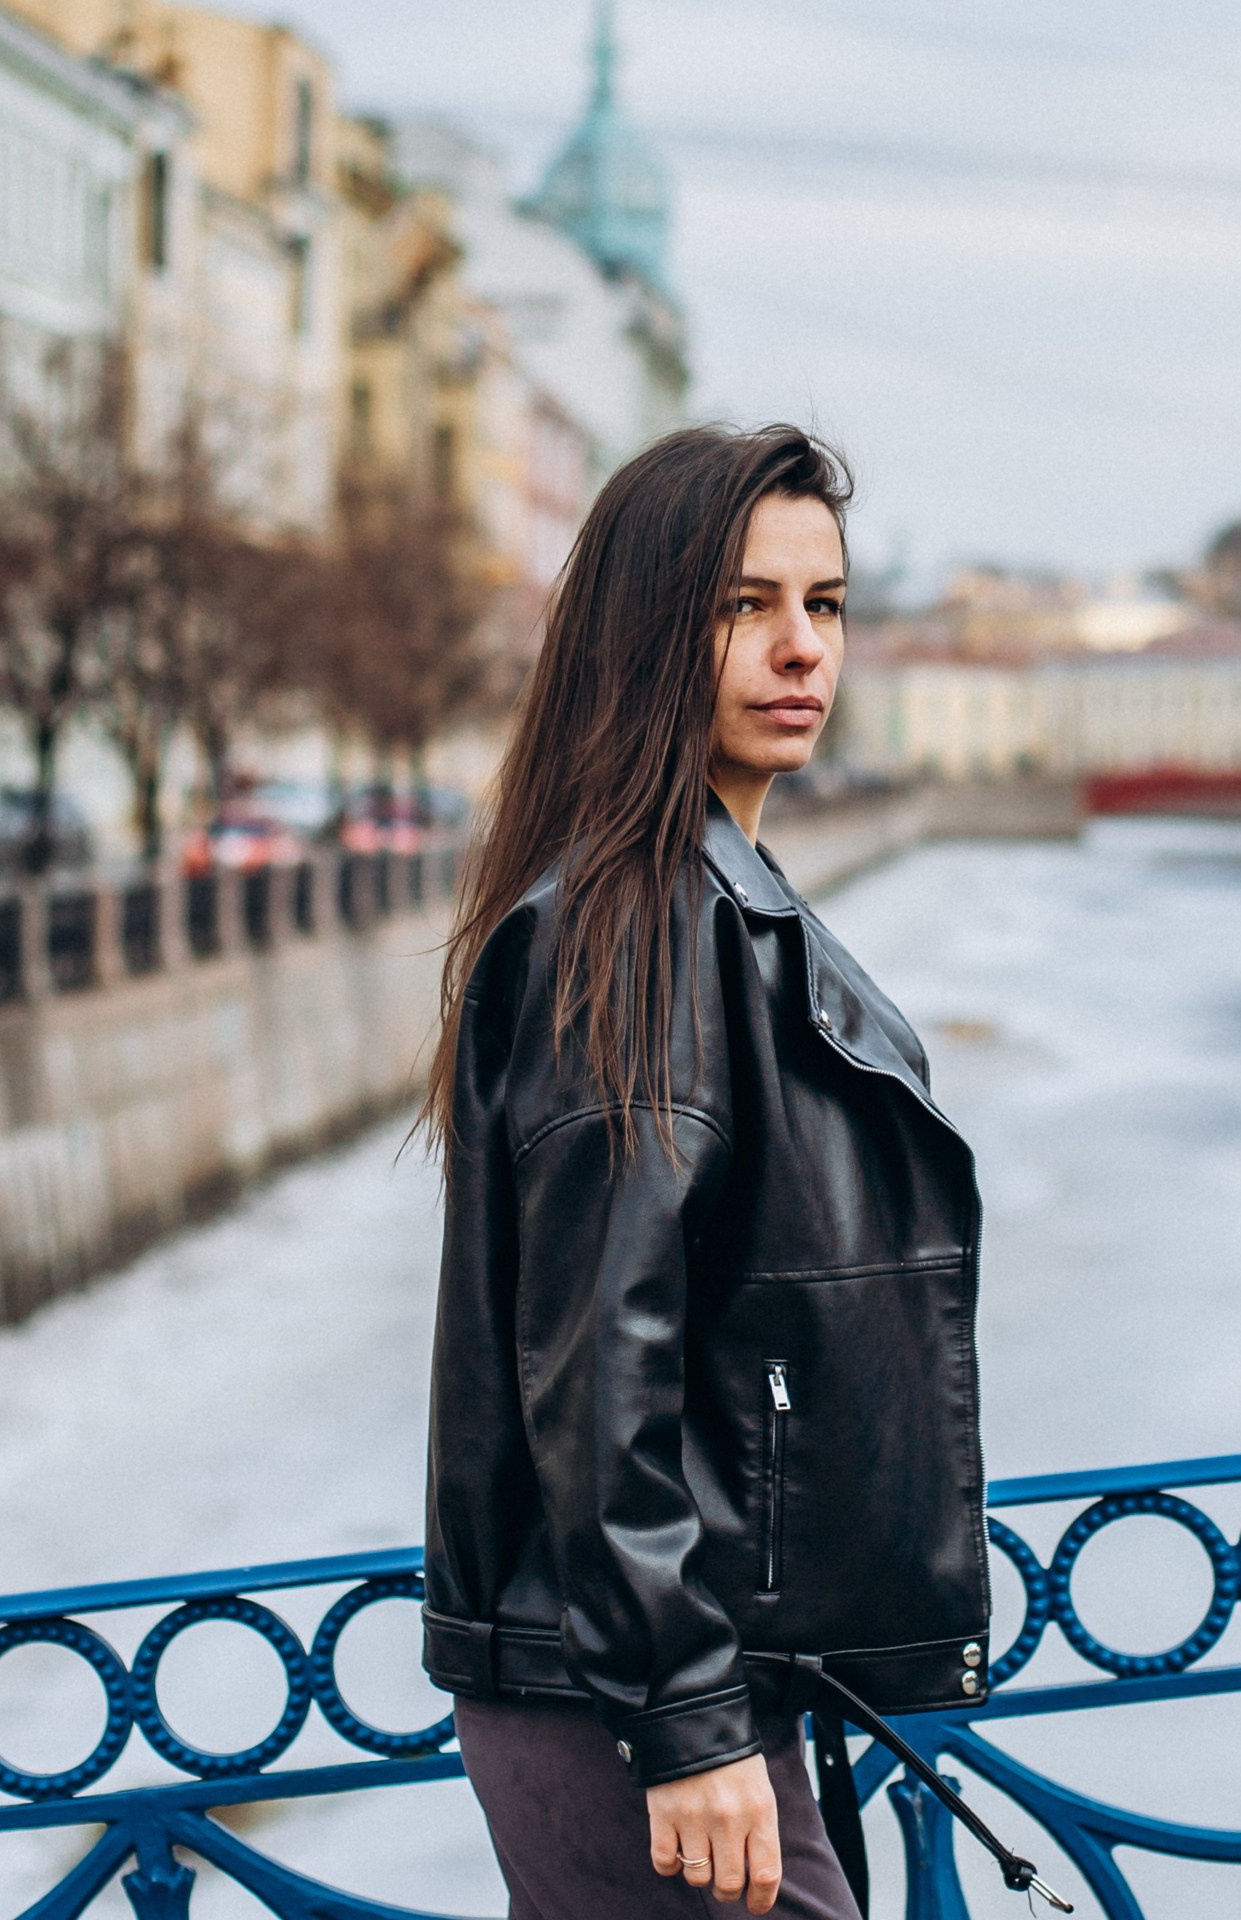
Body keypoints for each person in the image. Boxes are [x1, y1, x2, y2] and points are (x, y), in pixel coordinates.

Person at [419, 425, 992, 1918]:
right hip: (637, 1694)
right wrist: (683, 1719)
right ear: (646, 628)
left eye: (828, 604)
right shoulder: (644, 922)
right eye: (745, 606)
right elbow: (604, 1357)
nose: (803, 648)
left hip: (678, 1671)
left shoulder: (701, 900)